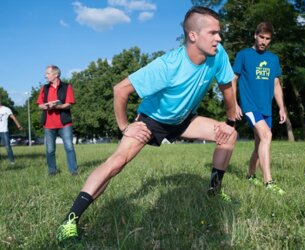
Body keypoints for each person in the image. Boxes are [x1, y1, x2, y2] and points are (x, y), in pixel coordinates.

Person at [56, 6, 237, 244]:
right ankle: (70, 220)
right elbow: (120, 89)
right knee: (117, 163)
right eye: (213, 33)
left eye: (219, 33)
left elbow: (227, 86)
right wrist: (125, 126)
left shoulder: (218, 54)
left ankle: (214, 191)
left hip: (183, 120)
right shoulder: (167, 65)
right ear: (193, 35)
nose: (219, 38)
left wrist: (230, 121)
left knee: (229, 136)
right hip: (152, 121)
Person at [232, 22, 287, 195]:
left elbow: (276, 84)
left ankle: (250, 175)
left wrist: (282, 108)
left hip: (266, 107)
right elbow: (233, 79)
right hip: (250, 106)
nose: (264, 41)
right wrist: (234, 103)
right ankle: (268, 181)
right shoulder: (243, 55)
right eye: (261, 37)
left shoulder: (273, 59)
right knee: (267, 135)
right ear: (255, 35)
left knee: (259, 144)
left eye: (267, 39)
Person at [37, 65, 78, 176]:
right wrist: (44, 106)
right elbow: (40, 105)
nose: (46, 76)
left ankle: (74, 171)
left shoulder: (66, 86)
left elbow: (69, 104)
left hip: (64, 123)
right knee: (50, 150)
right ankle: (52, 171)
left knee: (69, 147)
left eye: (48, 73)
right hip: (48, 124)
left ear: (56, 74)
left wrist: (58, 106)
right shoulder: (44, 88)